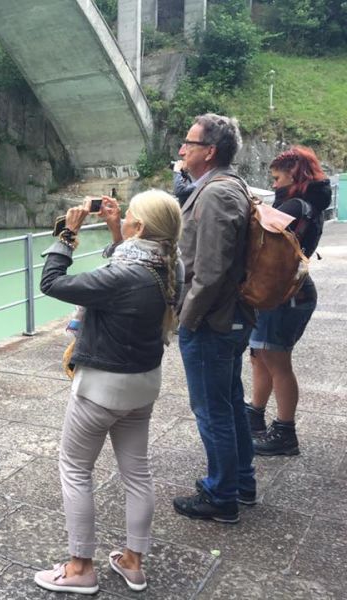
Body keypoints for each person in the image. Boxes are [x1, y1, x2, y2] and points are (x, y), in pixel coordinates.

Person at [35, 191, 182, 595]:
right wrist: (118, 231)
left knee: (76, 469)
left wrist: (67, 234)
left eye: (130, 216)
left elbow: (52, 283)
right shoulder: (171, 265)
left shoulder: (121, 277)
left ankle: (80, 567)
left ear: (141, 229)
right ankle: (133, 562)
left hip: (101, 388)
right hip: (144, 383)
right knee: (137, 472)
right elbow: (130, 264)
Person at [171, 113, 256, 524]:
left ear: (210, 151)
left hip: (212, 322)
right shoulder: (224, 186)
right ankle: (241, 482)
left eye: (189, 143)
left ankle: (221, 495)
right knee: (229, 402)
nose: (182, 150)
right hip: (229, 319)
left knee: (212, 410)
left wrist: (186, 319)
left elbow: (210, 270)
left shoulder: (218, 194)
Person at [246, 146, 331, 455]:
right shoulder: (307, 205)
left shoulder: (296, 206)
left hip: (286, 294)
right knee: (261, 356)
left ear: (294, 174)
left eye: (277, 177)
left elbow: (257, 231)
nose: (273, 184)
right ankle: (254, 415)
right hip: (284, 291)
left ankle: (285, 432)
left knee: (277, 361)